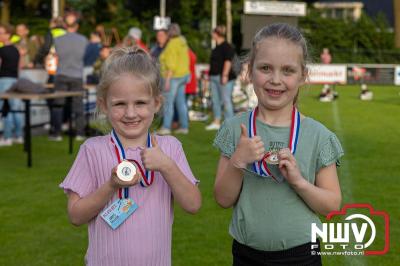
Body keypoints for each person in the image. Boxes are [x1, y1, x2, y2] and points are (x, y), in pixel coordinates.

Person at [213, 23, 343, 266]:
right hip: (246, 254)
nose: (275, 80)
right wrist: (238, 161)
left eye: (287, 70)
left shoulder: (318, 135)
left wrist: (299, 182)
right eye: (265, 68)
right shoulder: (234, 129)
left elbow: (332, 206)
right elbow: (222, 198)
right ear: (249, 71)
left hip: (302, 255)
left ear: (303, 76)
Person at [59, 47, 201, 266]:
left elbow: (193, 205)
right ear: (104, 105)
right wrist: (111, 186)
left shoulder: (170, 148)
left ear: (156, 103)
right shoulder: (92, 150)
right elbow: (76, 216)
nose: (131, 113)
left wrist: (167, 167)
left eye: (141, 103)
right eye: (119, 104)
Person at [49, 14, 88, 141]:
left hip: (61, 74)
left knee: (58, 105)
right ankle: (80, 133)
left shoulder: (58, 39)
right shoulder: (83, 40)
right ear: (77, 26)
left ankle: (57, 133)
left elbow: (54, 55)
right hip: (76, 75)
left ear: (65, 25)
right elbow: (85, 58)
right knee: (78, 106)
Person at [158, 23, 190, 135]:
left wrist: (167, 80)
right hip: (183, 75)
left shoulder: (171, 44)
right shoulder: (182, 41)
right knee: (181, 102)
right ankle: (184, 127)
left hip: (173, 77)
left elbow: (171, 64)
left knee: (168, 103)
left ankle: (166, 127)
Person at [206, 25, 237, 131]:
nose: (212, 35)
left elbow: (228, 61)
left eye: (213, 33)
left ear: (216, 34)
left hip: (224, 78)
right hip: (214, 77)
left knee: (226, 100)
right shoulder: (216, 47)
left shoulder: (227, 46)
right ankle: (217, 121)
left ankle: (231, 125)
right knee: (215, 100)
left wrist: (224, 75)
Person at [0, 24, 22, 147]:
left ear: (8, 34)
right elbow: (20, 67)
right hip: (14, 80)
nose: (0, 35)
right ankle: (19, 136)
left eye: (2, 32)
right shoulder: (16, 50)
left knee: (6, 109)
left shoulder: (2, 50)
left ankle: (7, 137)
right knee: (16, 110)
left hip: (4, 81)